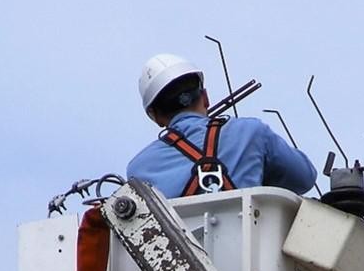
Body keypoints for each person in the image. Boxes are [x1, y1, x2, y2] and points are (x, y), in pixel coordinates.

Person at [127, 54, 318, 198]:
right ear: (206, 97)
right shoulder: (251, 132)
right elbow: (305, 178)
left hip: (177, 250)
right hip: (250, 247)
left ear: (156, 117)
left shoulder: (139, 169)